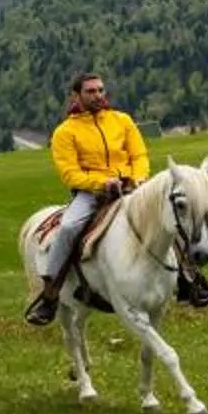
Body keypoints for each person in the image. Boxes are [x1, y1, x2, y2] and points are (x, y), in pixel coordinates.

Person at [24, 70, 151, 327]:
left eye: (100, 90)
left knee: (165, 216)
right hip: (91, 193)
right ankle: (50, 294)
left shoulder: (122, 120)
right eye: (91, 92)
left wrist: (138, 178)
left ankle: (188, 279)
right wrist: (100, 183)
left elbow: (139, 155)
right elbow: (70, 174)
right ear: (76, 95)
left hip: (130, 185)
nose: (97, 96)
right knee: (69, 227)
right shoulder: (65, 132)